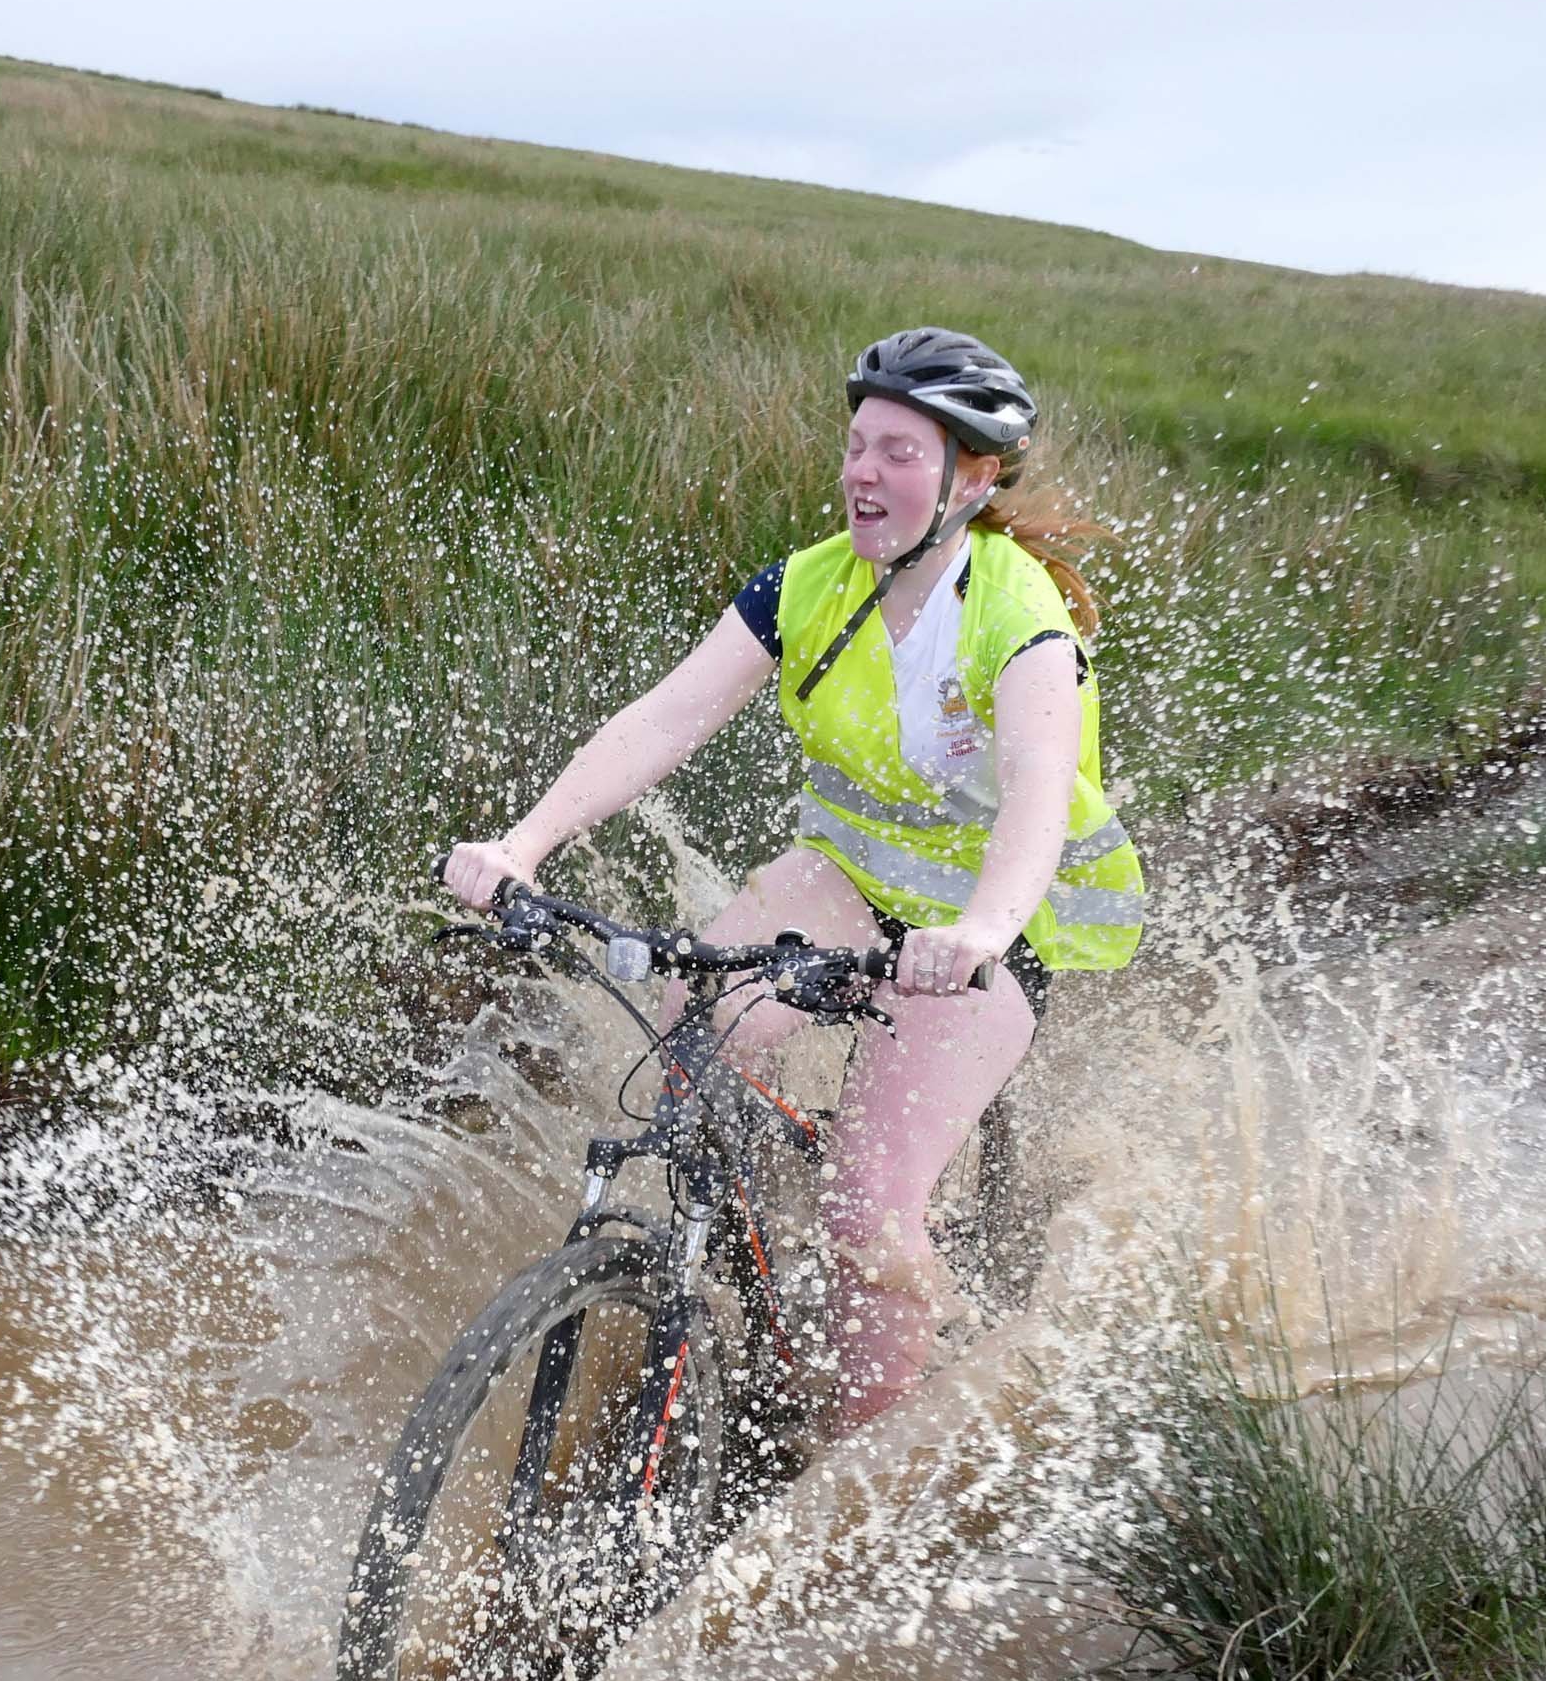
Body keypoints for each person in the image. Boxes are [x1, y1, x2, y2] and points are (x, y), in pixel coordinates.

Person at [443, 328, 1145, 1430]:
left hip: (994, 933)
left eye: (900, 453)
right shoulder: (809, 586)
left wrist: (981, 931)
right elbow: (667, 718)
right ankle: (710, 1274)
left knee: (868, 1207)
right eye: (857, 445)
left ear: (973, 477)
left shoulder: (1019, 618)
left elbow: (1036, 797)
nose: (864, 472)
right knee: (690, 1011)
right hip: (850, 882)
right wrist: (523, 845)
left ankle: (863, 1458)